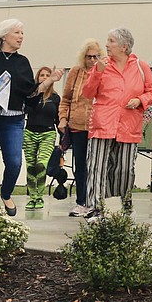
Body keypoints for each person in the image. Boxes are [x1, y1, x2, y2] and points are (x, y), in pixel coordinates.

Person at [0, 19, 62, 215]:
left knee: (15, 162)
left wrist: (50, 81)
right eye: (17, 33)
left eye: (22, 33)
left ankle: (6, 194)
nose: (20, 37)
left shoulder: (22, 62)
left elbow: (30, 94)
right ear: (4, 35)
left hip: (13, 119)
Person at [80, 27, 152, 220]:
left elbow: (150, 92)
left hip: (129, 125)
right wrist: (97, 72)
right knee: (96, 167)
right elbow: (87, 93)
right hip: (103, 124)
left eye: (111, 41)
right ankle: (95, 207)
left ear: (124, 46)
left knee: (124, 169)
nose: (107, 45)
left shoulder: (141, 66)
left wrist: (140, 100)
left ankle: (121, 203)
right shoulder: (101, 65)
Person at [58, 39, 103, 216]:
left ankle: (96, 202)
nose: (92, 60)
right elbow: (66, 98)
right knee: (80, 165)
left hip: (98, 126)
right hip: (77, 125)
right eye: (89, 56)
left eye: (96, 56)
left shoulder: (104, 72)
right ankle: (81, 201)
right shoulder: (76, 73)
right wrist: (63, 118)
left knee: (96, 165)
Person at [22, 66, 60, 210]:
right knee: (31, 166)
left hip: (48, 133)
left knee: (41, 164)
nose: (44, 77)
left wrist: (63, 139)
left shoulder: (55, 98)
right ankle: (33, 198)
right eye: (42, 75)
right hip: (30, 132)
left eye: (47, 75)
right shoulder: (31, 96)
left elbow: (58, 118)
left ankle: (40, 195)